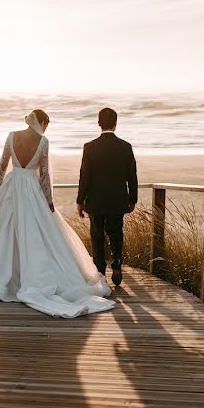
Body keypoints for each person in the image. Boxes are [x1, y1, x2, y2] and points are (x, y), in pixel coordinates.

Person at [0, 109, 115, 318]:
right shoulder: (43, 142)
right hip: (32, 189)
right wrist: (49, 202)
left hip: (12, 188)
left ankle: (7, 278)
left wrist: (0, 193)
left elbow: (0, 168)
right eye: (45, 124)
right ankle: (33, 277)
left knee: (6, 233)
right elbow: (44, 176)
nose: (45, 128)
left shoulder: (11, 136)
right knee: (36, 232)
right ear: (41, 121)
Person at [76, 107, 138, 286]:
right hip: (118, 199)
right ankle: (117, 262)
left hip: (95, 199)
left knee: (97, 234)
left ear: (99, 123)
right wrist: (132, 198)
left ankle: (100, 270)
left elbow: (84, 176)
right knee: (116, 232)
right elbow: (131, 175)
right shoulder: (125, 147)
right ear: (116, 124)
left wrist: (80, 200)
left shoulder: (90, 147)